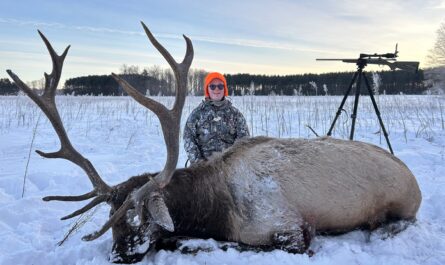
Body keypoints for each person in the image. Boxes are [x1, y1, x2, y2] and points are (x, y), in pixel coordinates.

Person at [183, 72, 250, 164]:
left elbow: (244, 140)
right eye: (212, 86)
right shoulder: (197, 114)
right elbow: (188, 138)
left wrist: (234, 161)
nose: (217, 89)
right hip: (203, 167)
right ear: (207, 89)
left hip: (230, 166)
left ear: (224, 89)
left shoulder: (235, 114)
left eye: (220, 86)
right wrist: (198, 162)